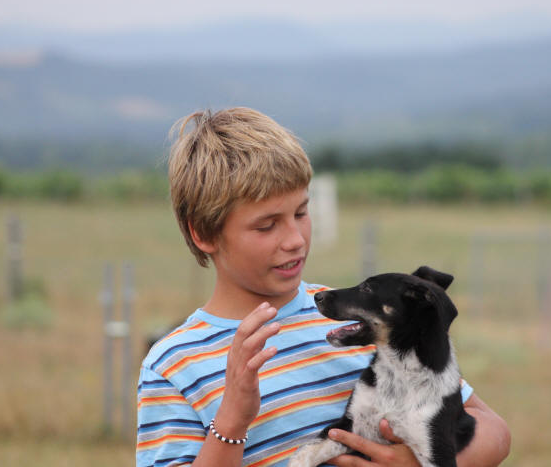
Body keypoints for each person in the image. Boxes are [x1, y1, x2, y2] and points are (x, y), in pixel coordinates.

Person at [136, 107, 510, 467]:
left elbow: (491, 429)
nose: (296, 239)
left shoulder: (361, 321)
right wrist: (232, 419)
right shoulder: (173, 365)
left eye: (301, 212)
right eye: (267, 225)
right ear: (203, 233)